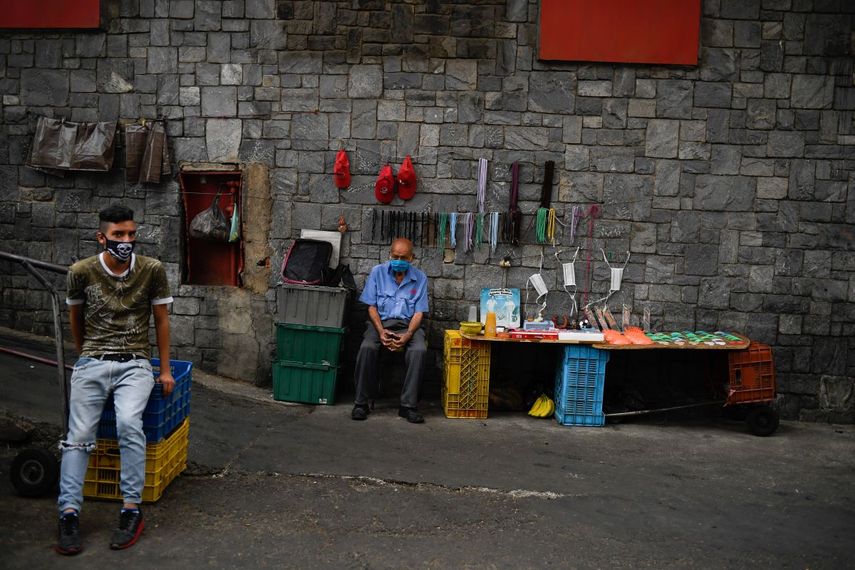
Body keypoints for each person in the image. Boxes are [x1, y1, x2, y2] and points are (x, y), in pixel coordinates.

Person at [56, 204, 174, 555]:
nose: (126, 241)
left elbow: (162, 321)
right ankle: (68, 513)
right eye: (118, 235)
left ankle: (130, 509)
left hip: (135, 363)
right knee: (78, 435)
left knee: (128, 425)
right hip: (93, 360)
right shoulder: (81, 272)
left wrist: (164, 369)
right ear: (102, 237)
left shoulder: (152, 270)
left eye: (131, 234)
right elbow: (76, 318)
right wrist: (85, 356)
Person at [352, 238, 429, 424]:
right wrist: (380, 331)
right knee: (367, 347)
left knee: (419, 350)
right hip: (380, 322)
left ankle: (408, 406)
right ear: (389, 254)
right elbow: (371, 307)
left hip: (408, 324)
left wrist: (408, 334)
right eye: (395, 256)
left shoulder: (420, 278)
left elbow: (419, 312)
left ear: (411, 258)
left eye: (403, 257)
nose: (399, 260)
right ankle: (361, 403)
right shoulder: (377, 273)